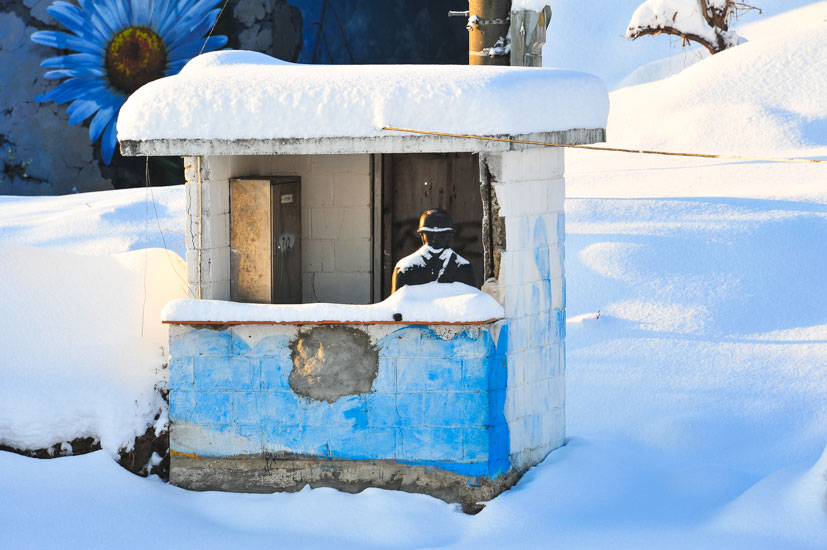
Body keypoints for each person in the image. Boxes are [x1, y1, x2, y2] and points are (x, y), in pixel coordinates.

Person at [391, 208, 477, 293]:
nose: (435, 239)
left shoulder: (464, 267)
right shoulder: (406, 268)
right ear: (421, 235)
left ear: (450, 235)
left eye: (441, 235)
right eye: (430, 235)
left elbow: (471, 303)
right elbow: (398, 304)